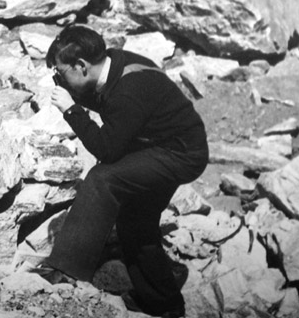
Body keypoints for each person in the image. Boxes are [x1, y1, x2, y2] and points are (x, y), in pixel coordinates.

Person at [40, 25, 209, 318]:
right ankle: (163, 304)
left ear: (81, 66)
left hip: (181, 154)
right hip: (156, 144)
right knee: (135, 222)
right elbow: (108, 107)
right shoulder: (115, 63)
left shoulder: (129, 89)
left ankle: (65, 272)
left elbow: (108, 150)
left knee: (103, 178)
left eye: (60, 72)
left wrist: (71, 110)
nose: (59, 79)